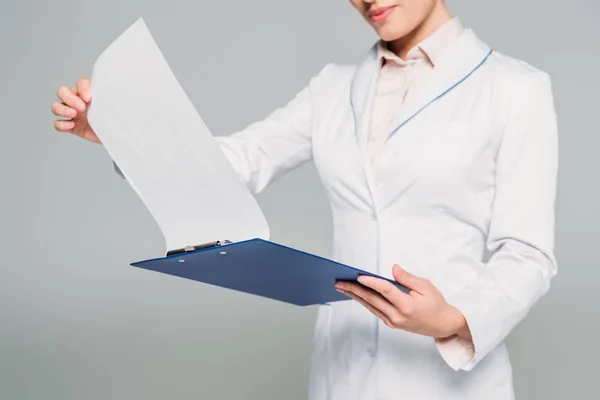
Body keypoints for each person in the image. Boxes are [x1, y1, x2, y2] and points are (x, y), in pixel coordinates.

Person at [51, 0, 559, 399]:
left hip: (449, 382)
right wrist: (121, 132)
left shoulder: (515, 89)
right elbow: (237, 163)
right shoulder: (333, 88)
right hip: (342, 375)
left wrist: (451, 321)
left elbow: (528, 255)